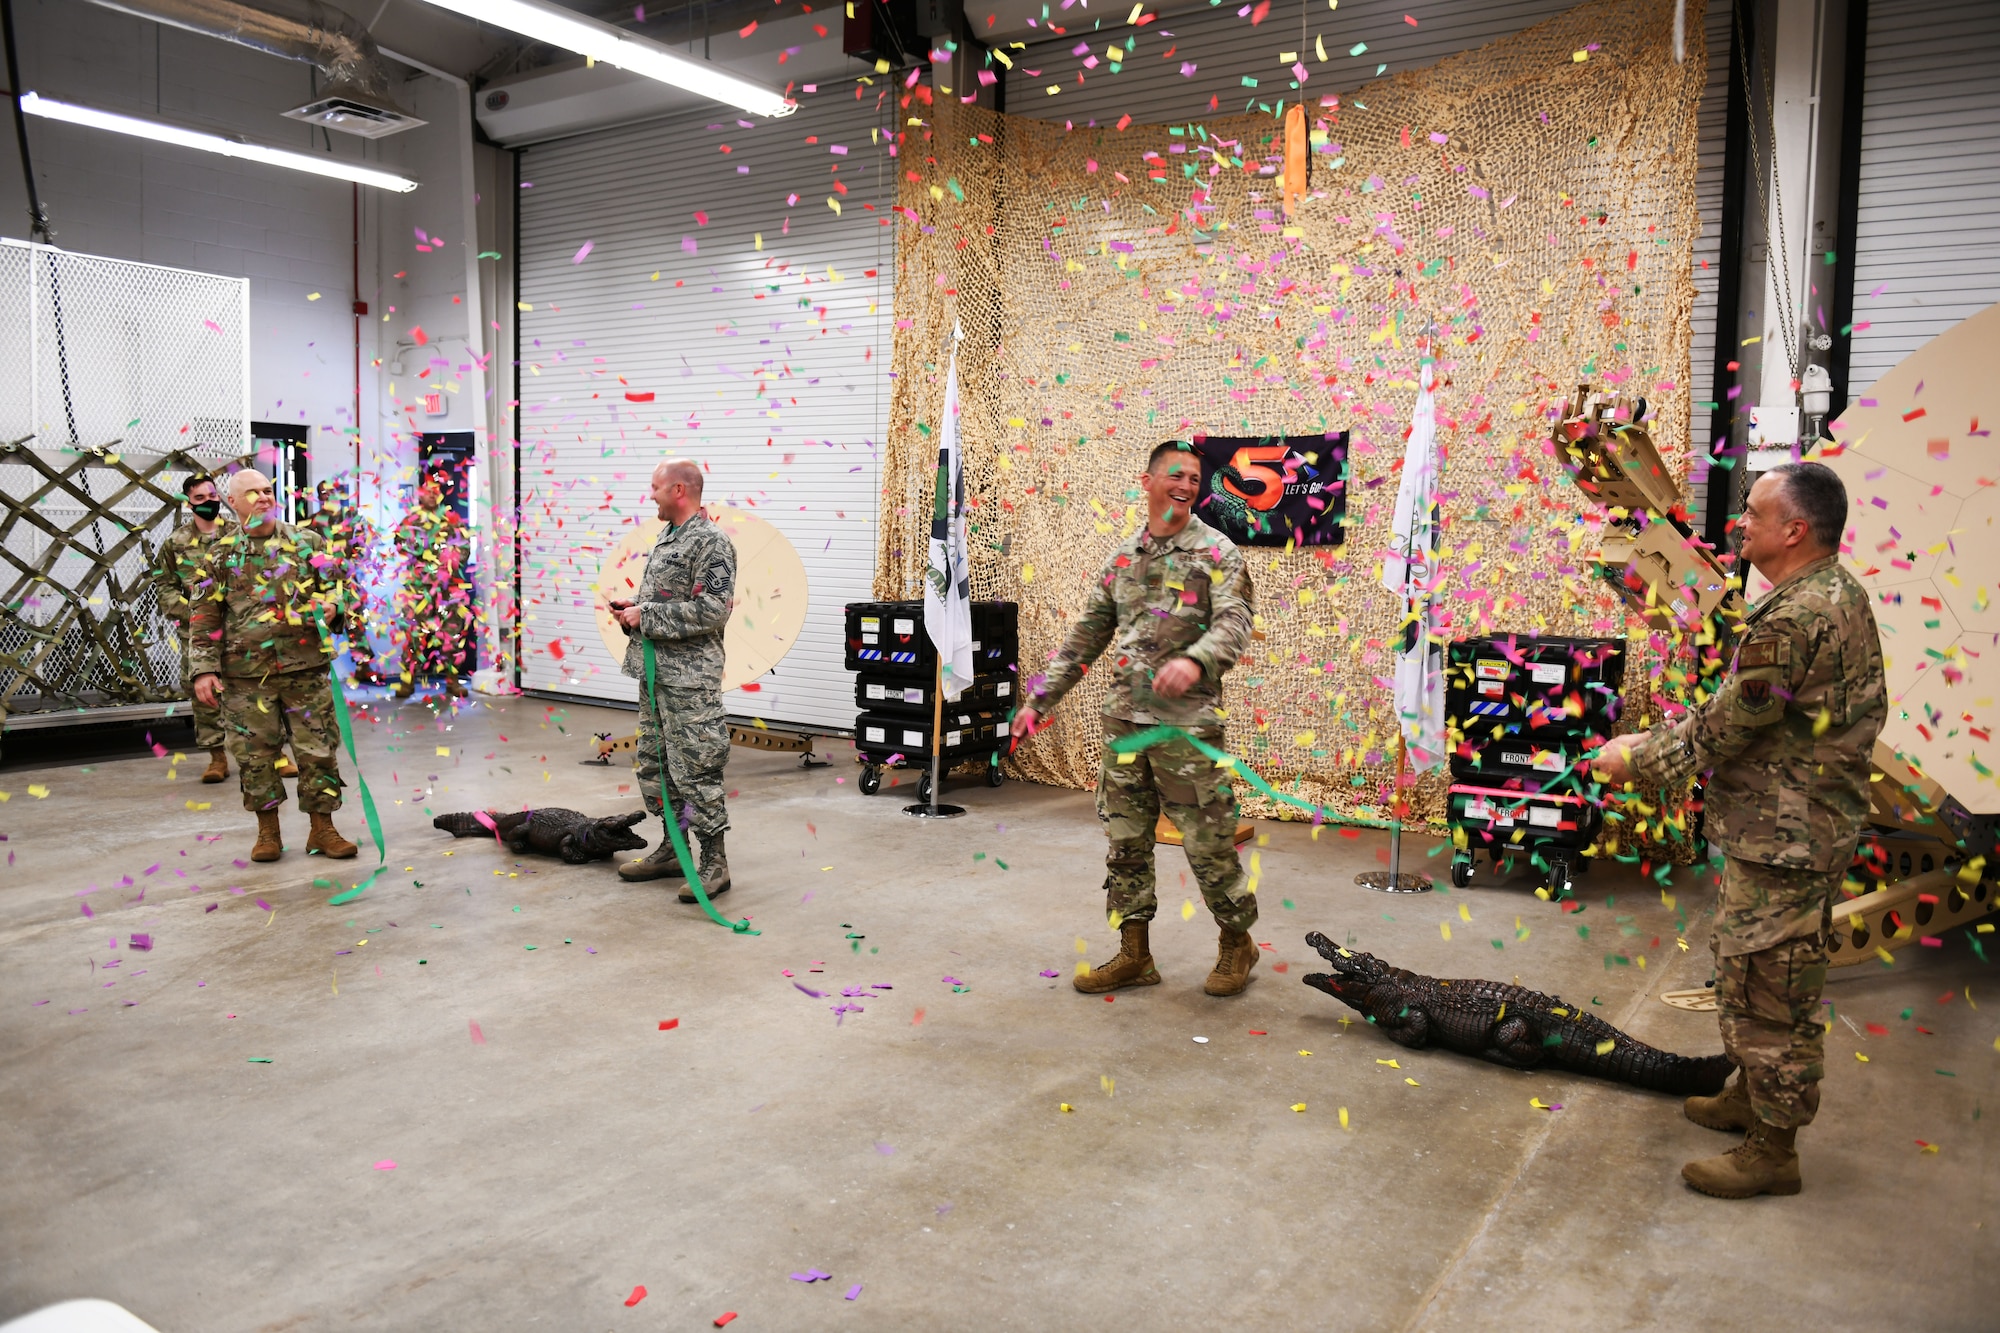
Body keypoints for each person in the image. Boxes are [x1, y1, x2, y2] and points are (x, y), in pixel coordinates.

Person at [1595, 461, 1885, 1200]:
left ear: (1795, 529)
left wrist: (1632, 758)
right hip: (1791, 825)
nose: (1740, 524)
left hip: (1787, 833)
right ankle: (1750, 1095)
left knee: (1771, 989)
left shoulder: (1792, 619)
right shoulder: (1831, 593)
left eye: (1754, 514)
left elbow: (1727, 726)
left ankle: (1773, 1147)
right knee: (1752, 970)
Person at [1010, 441, 1259, 996]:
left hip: (1186, 729)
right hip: (1124, 724)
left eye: (1195, 478)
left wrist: (1195, 662)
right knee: (1125, 841)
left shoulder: (1218, 553)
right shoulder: (1123, 558)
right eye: (1176, 475)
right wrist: (1037, 701)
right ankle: (1135, 954)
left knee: (1207, 841)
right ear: (1146, 481)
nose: (1187, 485)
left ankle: (1237, 943)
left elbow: (1236, 622)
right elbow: (1086, 636)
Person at [189, 470, 360, 863]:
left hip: (305, 668)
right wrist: (203, 670)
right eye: (252, 492)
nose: (263, 497)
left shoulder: (308, 542)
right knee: (254, 755)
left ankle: (323, 830)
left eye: (268, 490)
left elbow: (339, 587)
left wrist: (336, 607)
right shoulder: (218, 555)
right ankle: (268, 832)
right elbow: (204, 616)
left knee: (317, 751)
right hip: (245, 675)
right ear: (233, 502)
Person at [612, 459, 738, 901]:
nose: (651, 496)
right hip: (657, 676)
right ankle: (673, 849)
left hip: (689, 683)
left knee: (697, 769)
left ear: (679, 490)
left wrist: (645, 615)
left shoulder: (711, 543)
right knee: (657, 765)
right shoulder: (669, 537)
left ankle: (714, 864)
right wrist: (635, 606)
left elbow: (712, 610)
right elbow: (671, 599)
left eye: (655, 488)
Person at [151, 474, 230, 783]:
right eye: (200, 498)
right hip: (198, 634)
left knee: (252, 693)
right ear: (189, 503)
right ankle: (217, 757)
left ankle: (270, 754)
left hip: (240, 630)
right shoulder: (175, 543)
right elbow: (166, 586)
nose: (209, 501)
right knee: (206, 696)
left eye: (212, 495)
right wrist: (194, 613)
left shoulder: (239, 535)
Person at [393, 471, 474, 699]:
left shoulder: (452, 521)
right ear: (420, 493)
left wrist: (453, 557)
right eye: (428, 491)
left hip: (447, 591)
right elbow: (399, 546)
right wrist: (419, 553)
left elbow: (464, 548)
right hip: (419, 592)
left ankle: (452, 681)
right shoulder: (410, 521)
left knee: (451, 637)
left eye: (436, 492)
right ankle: (407, 682)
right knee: (413, 638)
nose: (432, 495)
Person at [309, 478, 380, 680]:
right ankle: (318, 670)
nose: (328, 495)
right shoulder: (312, 522)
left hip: (351, 582)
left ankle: (363, 666)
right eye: (323, 492)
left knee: (355, 623)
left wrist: (348, 565)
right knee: (321, 624)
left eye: (331, 491)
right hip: (322, 583)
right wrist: (328, 565)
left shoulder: (354, 519)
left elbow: (366, 546)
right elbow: (307, 552)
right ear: (319, 497)